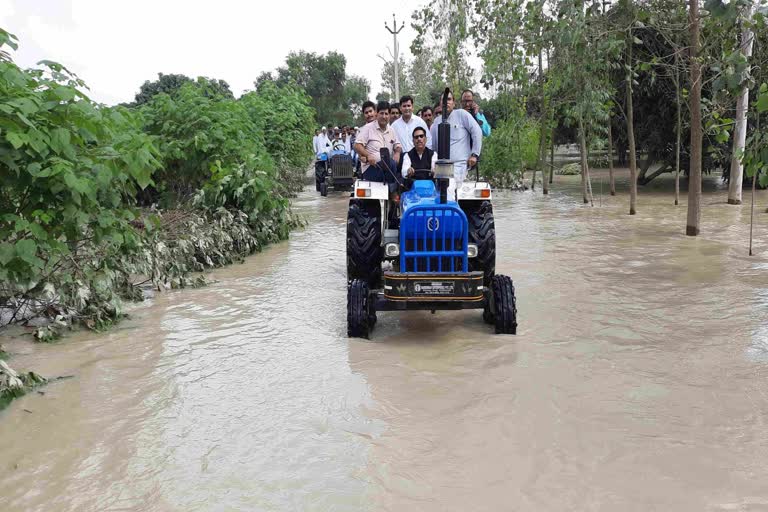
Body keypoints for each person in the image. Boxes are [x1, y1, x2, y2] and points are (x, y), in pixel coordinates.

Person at [430, 90, 483, 186]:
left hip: (460, 165)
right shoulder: (436, 123)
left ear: (454, 103)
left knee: (450, 187)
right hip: (441, 167)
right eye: (443, 100)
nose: (446, 102)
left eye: (449, 99)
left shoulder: (462, 114)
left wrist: (474, 155)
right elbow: (432, 147)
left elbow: (477, 132)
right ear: (440, 104)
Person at [354, 100, 402, 182]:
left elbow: (397, 145)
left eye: (386, 114)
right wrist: (368, 156)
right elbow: (357, 145)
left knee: (402, 160)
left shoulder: (391, 130)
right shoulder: (368, 128)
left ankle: (396, 188)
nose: (384, 116)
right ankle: (393, 190)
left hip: (387, 167)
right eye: (382, 113)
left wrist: (397, 153)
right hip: (372, 168)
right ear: (377, 114)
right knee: (391, 164)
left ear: (389, 116)